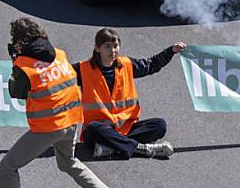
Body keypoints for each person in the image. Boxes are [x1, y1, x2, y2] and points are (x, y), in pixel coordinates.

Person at [0, 18, 115, 188]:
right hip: (73, 120)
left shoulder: (25, 66)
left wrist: (15, 63)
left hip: (50, 126)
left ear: (19, 42)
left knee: (8, 167)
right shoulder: (60, 53)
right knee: (68, 162)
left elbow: (15, 92)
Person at [79, 28, 186, 160]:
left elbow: (151, 64)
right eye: (107, 47)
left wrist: (171, 51)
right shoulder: (83, 69)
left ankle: (114, 147)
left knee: (159, 125)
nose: (112, 51)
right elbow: (61, 78)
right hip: (100, 131)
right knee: (93, 128)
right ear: (97, 48)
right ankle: (141, 148)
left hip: (125, 127)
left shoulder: (126, 65)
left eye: (115, 46)